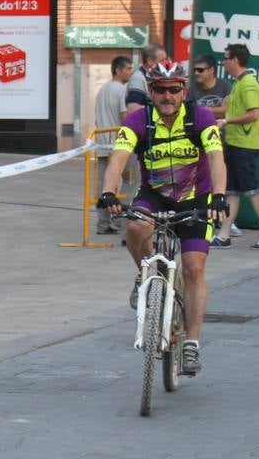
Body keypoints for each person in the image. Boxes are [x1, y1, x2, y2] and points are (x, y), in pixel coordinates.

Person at [96, 59, 227, 375]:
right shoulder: (138, 120)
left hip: (195, 199)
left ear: (183, 91)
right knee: (135, 225)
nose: (167, 96)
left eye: (173, 89)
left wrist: (220, 195)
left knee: (194, 268)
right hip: (153, 195)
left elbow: (216, 158)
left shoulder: (200, 117)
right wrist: (109, 191)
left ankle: (192, 345)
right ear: (150, 92)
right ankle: (145, 274)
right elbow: (119, 158)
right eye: (159, 90)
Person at [213, 43, 259, 248]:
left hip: (244, 146)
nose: (222, 62)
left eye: (225, 58)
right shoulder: (238, 83)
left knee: (251, 190)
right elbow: (228, 109)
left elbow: (254, 114)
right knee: (231, 191)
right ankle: (224, 236)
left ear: (234, 60)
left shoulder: (248, 83)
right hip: (234, 143)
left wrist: (226, 121)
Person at [188, 54, 240, 239]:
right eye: (195, 70)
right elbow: (190, 111)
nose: (197, 73)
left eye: (201, 70)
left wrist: (201, 110)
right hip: (199, 142)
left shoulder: (225, 86)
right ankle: (204, 217)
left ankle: (223, 219)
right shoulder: (191, 89)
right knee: (202, 181)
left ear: (211, 70)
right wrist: (213, 110)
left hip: (222, 140)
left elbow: (227, 110)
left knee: (220, 180)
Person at [93, 56, 134, 233]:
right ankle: (119, 221)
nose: (131, 72)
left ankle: (102, 224)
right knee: (129, 181)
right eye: (128, 69)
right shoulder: (123, 90)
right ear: (118, 70)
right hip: (119, 144)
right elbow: (126, 116)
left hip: (102, 143)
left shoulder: (102, 89)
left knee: (104, 184)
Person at [124, 43, 169, 116]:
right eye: (162, 60)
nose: (166, 64)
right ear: (150, 61)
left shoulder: (150, 77)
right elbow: (132, 109)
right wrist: (161, 109)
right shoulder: (138, 79)